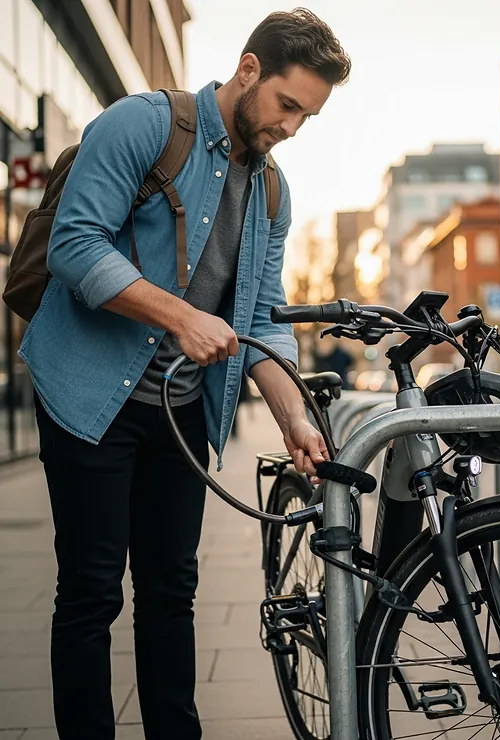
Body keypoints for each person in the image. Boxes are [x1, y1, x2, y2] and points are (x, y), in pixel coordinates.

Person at [18, 9, 351, 740]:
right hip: (86, 395)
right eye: (288, 105)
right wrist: (180, 316)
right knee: (91, 592)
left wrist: (295, 415)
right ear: (249, 69)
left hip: (179, 409)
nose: (292, 127)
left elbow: (263, 317)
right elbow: (74, 246)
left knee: (172, 589)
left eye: (309, 117)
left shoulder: (271, 191)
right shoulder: (141, 125)